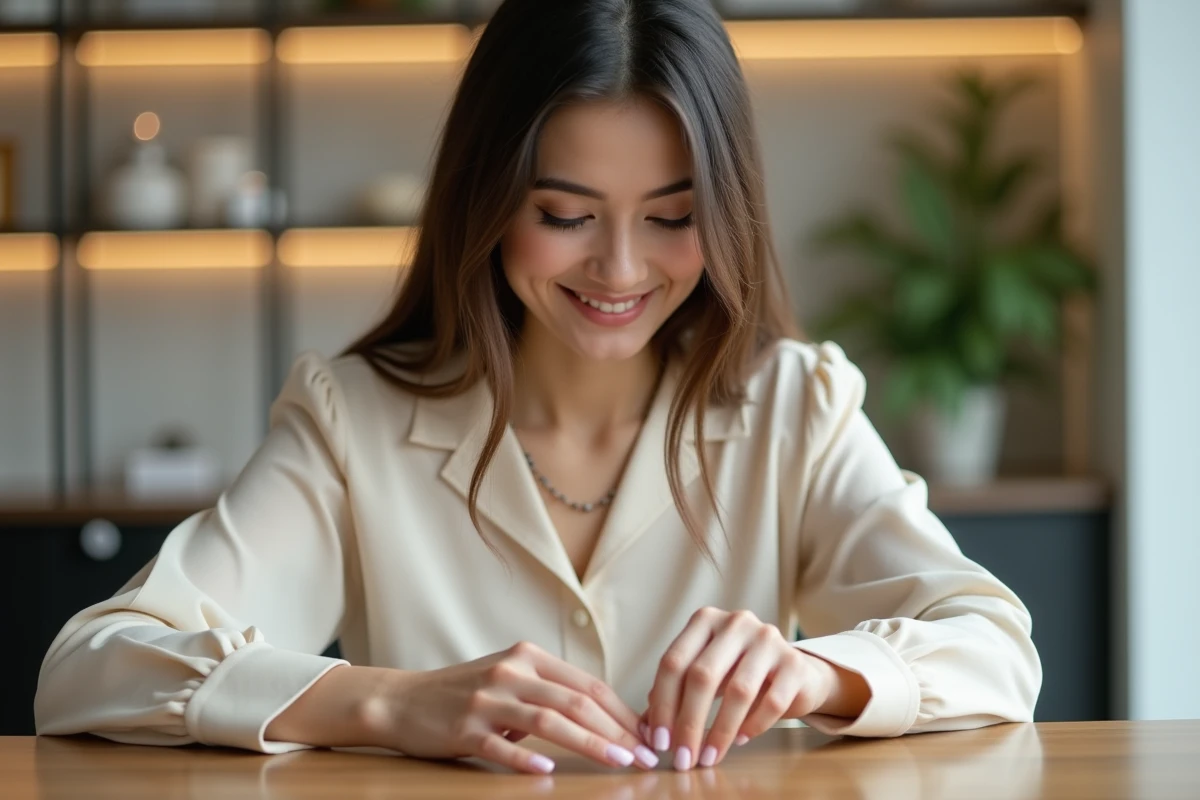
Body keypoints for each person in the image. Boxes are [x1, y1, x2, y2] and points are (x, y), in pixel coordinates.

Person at [34, 0, 1040, 776]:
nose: (619, 268)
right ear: (490, 198)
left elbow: (996, 648)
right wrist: (386, 703)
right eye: (565, 213)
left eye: (671, 216)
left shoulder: (792, 407)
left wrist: (822, 671)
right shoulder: (358, 419)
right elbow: (93, 664)